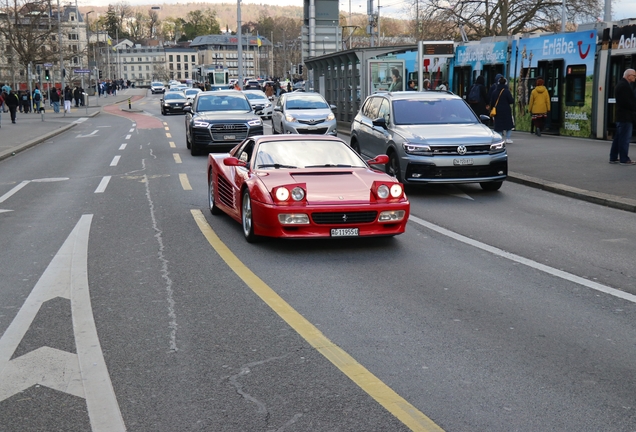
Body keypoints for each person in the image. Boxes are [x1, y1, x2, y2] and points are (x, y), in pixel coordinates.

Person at [609, 68, 636, 165]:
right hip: (625, 117)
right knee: (624, 138)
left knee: (618, 138)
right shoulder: (624, 86)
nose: (635, 78)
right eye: (634, 75)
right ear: (629, 76)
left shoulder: (621, 84)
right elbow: (626, 102)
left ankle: (613, 157)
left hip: (622, 116)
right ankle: (624, 159)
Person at [490, 76, 515, 144]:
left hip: (497, 111)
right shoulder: (506, 91)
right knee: (509, 125)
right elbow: (511, 101)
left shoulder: (494, 91)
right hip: (506, 110)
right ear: (505, 83)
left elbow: (492, 102)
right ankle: (508, 138)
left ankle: (500, 138)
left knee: (499, 126)